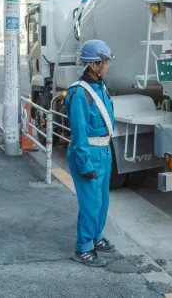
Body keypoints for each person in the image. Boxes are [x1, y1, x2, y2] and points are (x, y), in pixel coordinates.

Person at [65, 39, 116, 267]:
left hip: (103, 152)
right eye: (105, 62)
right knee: (90, 203)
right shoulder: (79, 94)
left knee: (102, 202)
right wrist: (85, 165)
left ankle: (96, 237)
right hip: (88, 154)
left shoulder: (100, 86)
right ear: (94, 65)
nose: (107, 66)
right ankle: (83, 247)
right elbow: (79, 134)